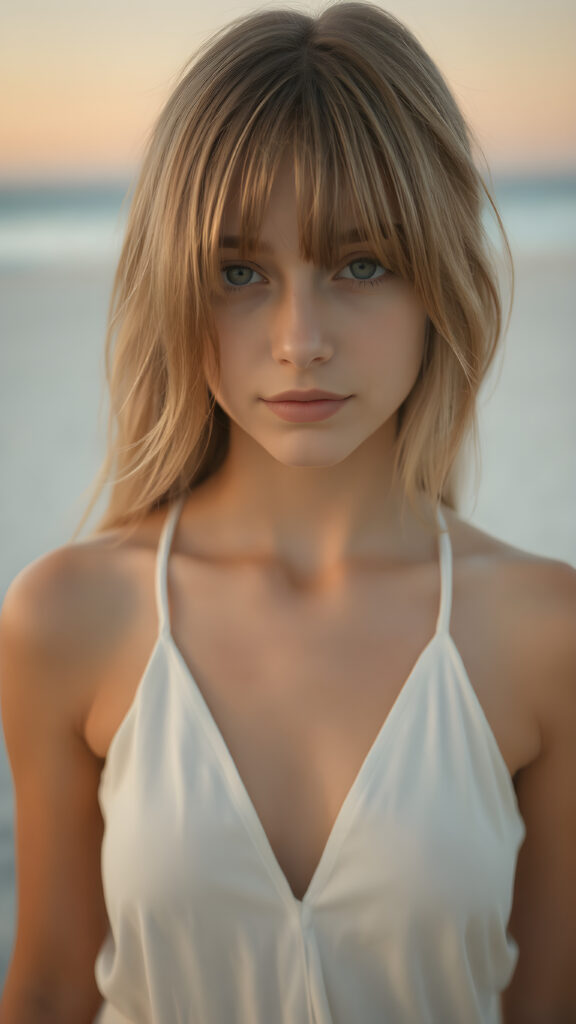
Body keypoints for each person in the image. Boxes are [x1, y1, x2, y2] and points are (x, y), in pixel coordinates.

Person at [1, 2, 575, 1021]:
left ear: (440, 276)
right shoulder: (68, 618)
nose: (300, 338)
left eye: (361, 263)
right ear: (175, 284)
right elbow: (47, 988)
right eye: (240, 273)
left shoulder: (545, 635)